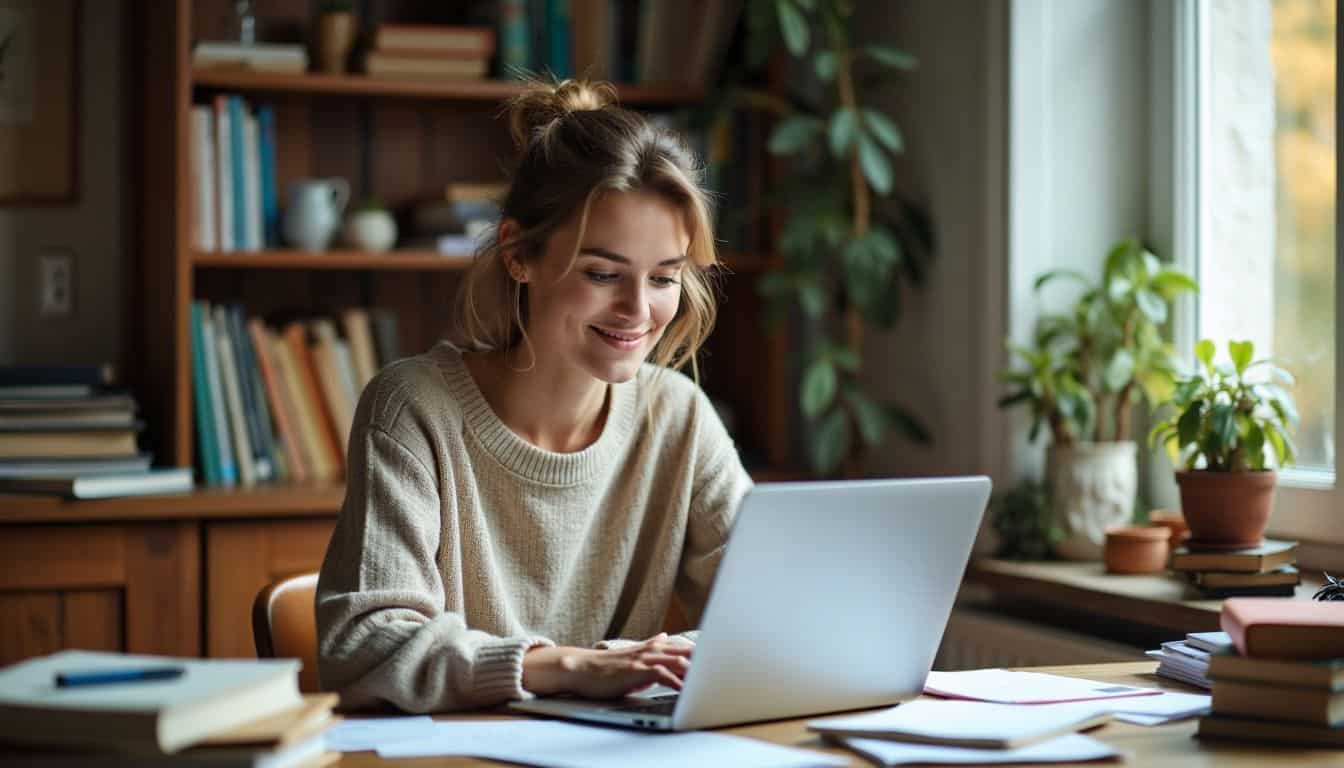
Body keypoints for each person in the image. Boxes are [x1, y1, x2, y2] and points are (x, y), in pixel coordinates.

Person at [316, 79, 753, 714]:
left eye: (664, 277)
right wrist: (570, 666)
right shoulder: (413, 408)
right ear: (518, 253)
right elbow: (362, 645)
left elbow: (771, 613)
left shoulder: (678, 415)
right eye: (602, 273)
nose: (639, 310)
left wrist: (660, 660)